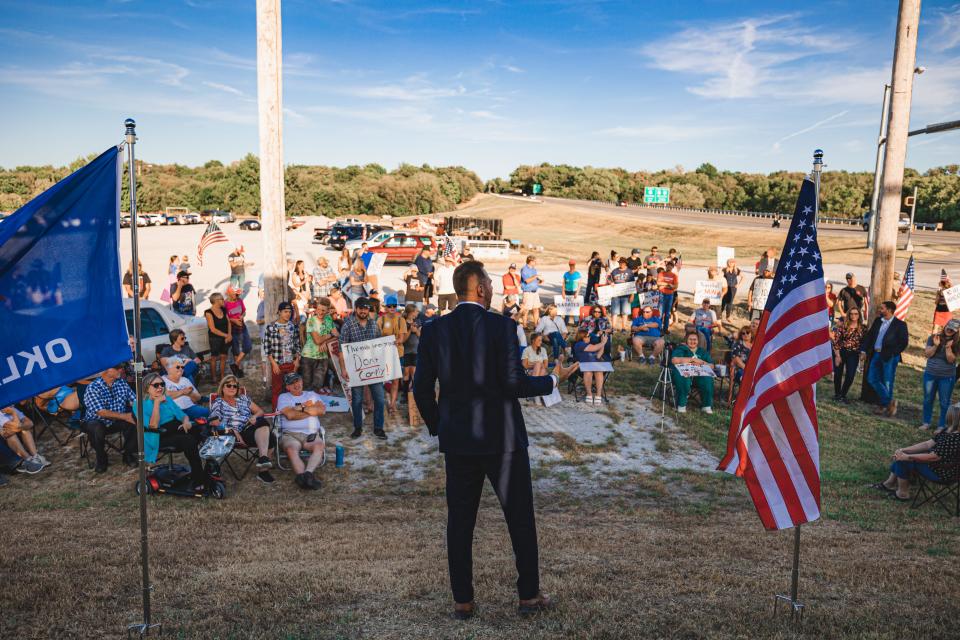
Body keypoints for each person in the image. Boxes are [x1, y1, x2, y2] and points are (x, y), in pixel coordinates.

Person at [413, 260, 564, 619]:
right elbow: (513, 383)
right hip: (504, 440)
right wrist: (551, 382)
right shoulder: (502, 327)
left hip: (459, 442)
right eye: (490, 284)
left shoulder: (435, 330)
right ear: (479, 289)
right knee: (520, 519)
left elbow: (420, 389)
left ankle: (462, 601)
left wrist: (439, 426)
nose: (494, 289)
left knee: (460, 522)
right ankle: (528, 596)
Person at [869, 405, 960, 502]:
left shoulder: (955, 438)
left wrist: (907, 457)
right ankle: (889, 484)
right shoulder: (947, 430)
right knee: (902, 456)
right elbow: (927, 444)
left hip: (943, 473)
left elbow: (933, 457)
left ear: (951, 417)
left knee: (903, 461)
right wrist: (904, 450)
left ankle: (902, 494)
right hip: (937, 465)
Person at [135, 372, 209, 491]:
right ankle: (199, 477)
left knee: (201, 429)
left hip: (176, 429)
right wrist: (157, 403)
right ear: (146, 388)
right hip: (158, 435)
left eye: (162, 384)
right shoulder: (139, 405)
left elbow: (182, 415)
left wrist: (186, 421)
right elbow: (153, 425)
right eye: (156, 385)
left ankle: (208, 469)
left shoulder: (168, 399)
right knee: (189, 440)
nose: (160, 387)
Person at [208, 374, 276, 483]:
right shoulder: (219, 402)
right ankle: (263, 462)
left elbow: (260, 411)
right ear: (222, 387)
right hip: (233, 434)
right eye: (228, 385)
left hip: (249, 428)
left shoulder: (243, 399)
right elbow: (214, 421)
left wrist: (254, 416)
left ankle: (263, 467)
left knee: (266, 429)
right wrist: (232, 430)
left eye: (234, 386)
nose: (231, 388)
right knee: (269, 436)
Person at [338, 297, 386, 439]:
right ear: (356, 309)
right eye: (361, 308)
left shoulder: (374, 324)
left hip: (374, 367)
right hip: (356, 369)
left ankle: (378, 428)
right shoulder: (348, 325)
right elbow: (341, 350)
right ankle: (358, 428)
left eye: (366, 308)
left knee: (380, 399)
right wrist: (343, 369)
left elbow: (379, 344)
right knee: (357, 400)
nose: (364, 311)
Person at [82, 363, 138, 472]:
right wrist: (125, 416)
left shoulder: (121, 383)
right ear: (106, 370)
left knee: (135, 419)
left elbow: (134, 401)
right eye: (117, 367)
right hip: (96, 420)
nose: (121, 369)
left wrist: (142, 408)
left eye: (121, 367)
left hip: (117, 420)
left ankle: (128, 454)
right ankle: (101, 457)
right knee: (96, 427)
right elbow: (101, 412)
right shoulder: (93, 387)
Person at [276, 372, 327, 490]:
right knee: (291, 449)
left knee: (319, 445)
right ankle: (302, 476)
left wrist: (301, 408)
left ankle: (307, 475)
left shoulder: (311, 395)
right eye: (292, 383)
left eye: (298, 381)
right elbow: (290, 415)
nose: (296, 384)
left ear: (302, 381)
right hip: (290, 434)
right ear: (287, 387)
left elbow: (321, 411)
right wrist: (310, 411)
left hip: (311, 433)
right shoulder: (283, 397)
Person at [862, 301, 909, 416]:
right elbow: (869, 336)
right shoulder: (878, 321)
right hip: (876, 354)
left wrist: (893, 354)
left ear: (889, 310)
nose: (879, 310)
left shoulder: (900, 325)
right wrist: (863, 350)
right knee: (872, 378)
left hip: (890, 356)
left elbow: (904, 342)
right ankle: (889, 402)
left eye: (882, 308)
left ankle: (884, 406)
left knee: (887, 381)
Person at [921, 319, 959, 431]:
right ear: (945, 325)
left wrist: (948, 348)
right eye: (948, 327)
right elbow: (928, 354)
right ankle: (926, 422)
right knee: (928, 399)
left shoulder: (957, 343)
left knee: (944, 402)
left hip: (947, 376)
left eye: (952, 329)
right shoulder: (933, 337)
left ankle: (942, 425)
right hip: (930, 373)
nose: (949, 330)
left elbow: (951, 360)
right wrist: (936, 345)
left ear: (956, 331)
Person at [264, 301, 302, 409]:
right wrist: (273, 364)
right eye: (285, 311)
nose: (288, 314)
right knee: (277, 389)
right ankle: (276, 412)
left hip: (291, 363)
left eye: (290, 312)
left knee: (293, 387)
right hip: (278, 364)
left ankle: (293, 410)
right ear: (279, 312)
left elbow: (297, 344)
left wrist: (297, 360)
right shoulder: (271, 327)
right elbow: (267, 348)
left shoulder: (293, 326)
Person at [378, 295, 409, 414]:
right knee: (381, 381)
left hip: (397, 353)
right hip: (384, 353)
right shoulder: (381, 319)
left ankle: (392, 404)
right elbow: (377, 336)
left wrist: (392, 339)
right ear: (385, 307)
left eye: (394, 306)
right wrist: (391, 339)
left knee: (395, 381)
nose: (392, 308)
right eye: (389, 306)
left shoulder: (401, 320)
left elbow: (401, 338)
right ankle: (380, 403)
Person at [670, 332, 714, 414]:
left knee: (707, 378)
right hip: (683, 374)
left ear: (698, 341)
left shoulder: (702, 351)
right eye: (690, 339)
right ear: (686, 340)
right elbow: (674, 360)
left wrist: (701, 362)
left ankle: (706, 406)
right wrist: (692, 360)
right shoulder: (681, 349)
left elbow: (711, 365)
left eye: (695, 339)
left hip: (698, 376)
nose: (692, 341)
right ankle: (681, 405)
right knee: (684, 377)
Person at [302, 297, 337, 394]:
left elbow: (337, 336)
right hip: (308, 356)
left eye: (323, 310)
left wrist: (326, 342)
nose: (320, 312)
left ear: (328, 311)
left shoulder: (329, 319)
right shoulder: (311, 320)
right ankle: (306, 408)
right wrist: (330, 335)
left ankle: (315, 407)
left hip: (323, 357)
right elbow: (317, 340)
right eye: (318, 309)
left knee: (317, 386)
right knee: (307, 387)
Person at [831, 308, 865, 404]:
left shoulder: (863, 328)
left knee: (850, 375)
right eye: (851, 314)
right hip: (841, 352)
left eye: (856, 314)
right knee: (838, 374)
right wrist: (837, 356)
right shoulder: (843, 327)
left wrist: (863, 353)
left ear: (859, 315)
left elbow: (864, 342)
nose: (853, 316)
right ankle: (837, 395)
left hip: (853, 354)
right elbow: (836, 342)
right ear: (849, 315)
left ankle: (843, 394)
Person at [1, 407, 47, 473]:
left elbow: (30, 423)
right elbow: (16, 427)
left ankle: (35, 457)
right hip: (4, 440)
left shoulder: (10, 408)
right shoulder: (2, 413)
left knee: (25, 430)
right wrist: (13, 413)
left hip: (13, 433)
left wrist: (20, 427)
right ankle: (28, 460)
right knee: (11, 436)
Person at [572, 328, 606, 404]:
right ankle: (589, 394)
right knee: (588, 371)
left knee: (599, 371)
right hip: (583, 366)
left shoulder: (589, 345)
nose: (589, 337)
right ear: (582, 337)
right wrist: (603, 342)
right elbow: (594, 348)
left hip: (595, 365)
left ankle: (598, 395)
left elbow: (598, 355)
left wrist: (602, 344)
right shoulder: (579, 344)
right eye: (587, 336)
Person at [205, 292, 232, 382]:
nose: (223, 300)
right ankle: (214, 377)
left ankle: (222, 376)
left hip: (225, 337)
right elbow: (212, 329)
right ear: (216, 301)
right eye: (221, 299)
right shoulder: (208, 312)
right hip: (215, 338)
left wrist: (229, 334)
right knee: (214, 357)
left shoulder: (223, 309)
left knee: (224, 356)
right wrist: (227, 335)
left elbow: (228, 322)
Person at [225, 287, 252, 378]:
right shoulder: (225, 304)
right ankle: (238, 370)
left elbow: (244, 311)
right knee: (236, 350)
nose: (236, 296)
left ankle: (235, 364)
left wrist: (241, 316)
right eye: (234, 294)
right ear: (229, 293)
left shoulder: (239, 300)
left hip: (241, 326)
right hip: (232, 328)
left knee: (248, 346)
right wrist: (234, 320)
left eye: (237, 294)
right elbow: (226, 318)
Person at [608, 257, 635, 332]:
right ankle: (613, 327)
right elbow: (609, 279)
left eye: (623, 263)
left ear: (626, 263)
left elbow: (632, 284)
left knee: (625, 312)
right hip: (616, 294)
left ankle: (623, 328)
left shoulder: (629, 272)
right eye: (620, 263)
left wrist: (632, 295)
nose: (621, 264)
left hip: (626, 295)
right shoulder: (615, 271)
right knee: (614, 312)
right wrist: (610, 282)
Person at [401, 304, 421, 397]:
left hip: (415, 351)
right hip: (406, 351)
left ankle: (414, 394)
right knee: (406, 373)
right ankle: (405, 394)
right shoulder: (403, 322)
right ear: (411, 312)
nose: (418, 313)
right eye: (416, 311)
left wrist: (416, 330)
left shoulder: (418, 321)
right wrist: (410, 330)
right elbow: (403, 339)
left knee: (414, 373)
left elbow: (420, 336)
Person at [728, 325, 753, 399]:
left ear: (751, 334)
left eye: (747, 332)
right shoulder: (738, 344)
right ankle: (743, 399)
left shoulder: (754, 346)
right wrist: (747, 370)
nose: (745, 334)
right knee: (746, 378)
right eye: (743, 333)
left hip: (753, 369)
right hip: (740, 369)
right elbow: (736, 359)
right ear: (741, 335)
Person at [519, 255, 543, 329]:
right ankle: (525, 325)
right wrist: (535, 276)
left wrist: (539, 281)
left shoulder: (534, 269)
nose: (535, 263)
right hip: (527, 292)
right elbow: (527, 280)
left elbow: (534, 280)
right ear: (530, 261)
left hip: (535, 292)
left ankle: (536, 325)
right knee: (526, 309)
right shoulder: (524, 269)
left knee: (536, 308)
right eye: (534, 261)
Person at [657, 260, 679, 331]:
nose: (669, 266)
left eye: (671, 265)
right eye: (668, 265)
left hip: (670, 295)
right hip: (662, 294)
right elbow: (658, 283)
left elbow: (675, 286)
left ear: (672, 267)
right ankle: (659, 328)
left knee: (667, 313)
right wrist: (668, 284)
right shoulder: (661, 273)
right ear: (666, 266)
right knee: (660, 312)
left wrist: (665, 285)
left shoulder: (674, 275)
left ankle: (665, 329)